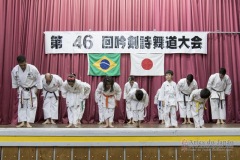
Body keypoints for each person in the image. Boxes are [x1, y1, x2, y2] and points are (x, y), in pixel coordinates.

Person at [11, 55, 42, 127]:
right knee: (21, 106)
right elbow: (14, 81)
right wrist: (17, 89)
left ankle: (28, 122)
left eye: (24, 64)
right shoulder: (15, 69)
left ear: (26, 61)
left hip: (32, 89)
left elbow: (38, 79)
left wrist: (38, 89)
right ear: (18, 63)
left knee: (31, 105)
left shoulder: (33, 68)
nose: (23, 66)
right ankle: (22, 121)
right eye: (21, 65)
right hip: (22, 89)